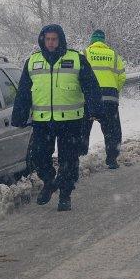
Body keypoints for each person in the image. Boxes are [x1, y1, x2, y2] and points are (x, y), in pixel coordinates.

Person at [12, 24, 102, 211]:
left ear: (60, 40)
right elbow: (23, 92)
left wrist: (95, 109)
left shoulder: (76, 59)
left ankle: (65, 195)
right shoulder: (32, 62)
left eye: (54, 39)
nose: (51, 43)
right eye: (48, 39)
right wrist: (19, 115)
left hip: (71, 121)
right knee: (38, 157)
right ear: (43, 40)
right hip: (43, 121)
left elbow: (91, 86)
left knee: (68, 160)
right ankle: (50, 181)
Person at [80, 29, 126, 169]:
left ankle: (80, 157)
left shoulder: (85, 53)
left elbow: (78, 76)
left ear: (92, 41)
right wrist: (114, 90)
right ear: (103, 41)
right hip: (109, 100)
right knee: (112, 130)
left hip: (89, 100)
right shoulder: (113, 55)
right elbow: (122, 77)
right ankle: (112, 159)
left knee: (83, 129)